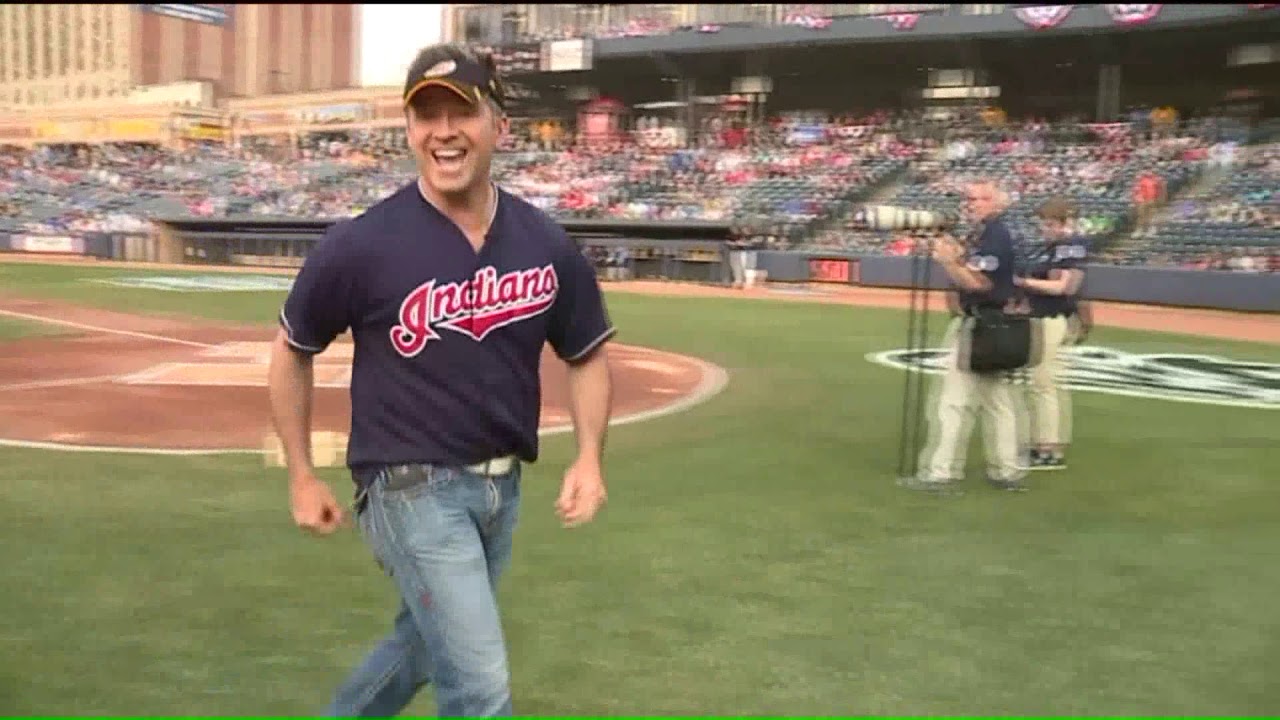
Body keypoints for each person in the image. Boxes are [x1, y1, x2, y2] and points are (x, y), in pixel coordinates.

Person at [267, 43, 616, 718]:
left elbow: (587, 352)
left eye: (461, 112)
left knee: (425, 649)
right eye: (426, 115)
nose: (444, 131)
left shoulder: (543, 242)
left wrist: (590, 458)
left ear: (499, 126)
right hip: (408, 487)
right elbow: (292, 347)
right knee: (479, 686)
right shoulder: (364, 243)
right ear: (408, 131)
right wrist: (301, 474)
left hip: (501, 491)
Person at [899, 180, 1029, 493]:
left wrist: (948, 261)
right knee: (998, 402)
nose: (971, 204)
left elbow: (979, 283)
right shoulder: (988, 233)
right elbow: (970, 266)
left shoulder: (995, 235)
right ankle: (1007, 472)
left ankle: (942, 472)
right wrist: (949, 248)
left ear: (996, 203)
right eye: (969, 199)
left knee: (953, 402)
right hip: (997, 324)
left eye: (978, 199)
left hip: (982, 325)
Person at [1014, 197, 1089, 471]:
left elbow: (1063, 288)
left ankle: (1046, 448)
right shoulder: (1050, 248)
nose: (1045, 229)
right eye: (1044, 224)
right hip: (1041, 317)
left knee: (1042, 383)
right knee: (1048, 384)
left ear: (1063, 223)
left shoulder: (1070, 248)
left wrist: (1022, 282)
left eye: (1050, 224)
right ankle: (1049, 443)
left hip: (1051, 318)